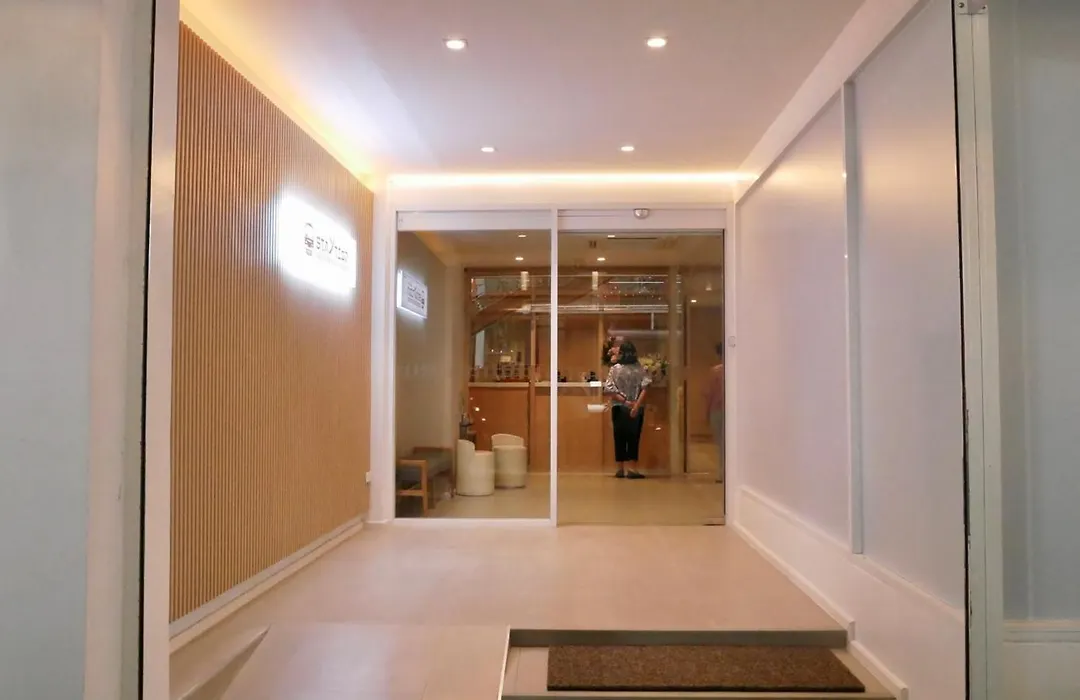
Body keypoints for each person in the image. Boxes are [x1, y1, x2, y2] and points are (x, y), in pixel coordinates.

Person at [603, 341, 651, 479]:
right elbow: (645, 387)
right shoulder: (641, 368)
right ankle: (632, 468)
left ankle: (620, 468)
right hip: (637, 407)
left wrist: (625, 401)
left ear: (620, 353)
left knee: (619, 437)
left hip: (619, 407)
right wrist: (635, 405)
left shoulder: (615, 369)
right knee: (634, 438)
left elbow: (609, 389)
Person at [704, 343, 725, 483]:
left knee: (721, 443)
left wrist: (706, 412)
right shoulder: (737, 371)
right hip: (731, 410)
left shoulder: (715, 371)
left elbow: (709, 394)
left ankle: (722, 473)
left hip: (717, 410)